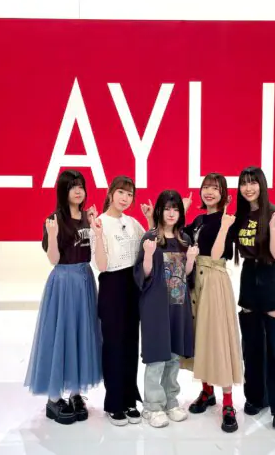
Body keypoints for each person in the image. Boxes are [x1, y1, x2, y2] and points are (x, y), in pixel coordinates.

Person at [24, 169, 102, 425]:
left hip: (85, 280)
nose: (78, 191)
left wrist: (96, 227)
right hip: (64, 282)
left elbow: (96, 254)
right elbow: (54, 259)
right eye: (72, 187)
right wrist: (53, 234)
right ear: (63, 191)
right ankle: (54, 399)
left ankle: (76, 393)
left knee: (81, 335)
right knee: (62, 336)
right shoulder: (54, 219)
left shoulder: (88, 217)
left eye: (81, 186)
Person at [233, 166, 275, 431]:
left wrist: (272, 227)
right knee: (252, 344)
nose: (248, 188)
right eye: (244, 183)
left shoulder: (273, 212)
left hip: (272, 275)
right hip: (249, 276)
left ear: (261, 184)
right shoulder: (239, 216)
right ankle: (257, 397)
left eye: (253, 183)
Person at [181, 173, 244, 433]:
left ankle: (228, 403)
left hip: (215, 280)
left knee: (218, 337)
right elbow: (177, 238)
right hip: (196, 279)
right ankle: (207, 391)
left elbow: (218, 254)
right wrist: (183, 210)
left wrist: (226, 226)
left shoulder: (227, 219)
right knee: (200, 335)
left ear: (223, 193)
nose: (209, 192)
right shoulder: (198, 220)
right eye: (205, 187)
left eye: (214, 188)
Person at [133, 190, 198, 428]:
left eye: (176, 209)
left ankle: (171, 401)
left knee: (173, 357)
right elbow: (143, 274)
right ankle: (152, 406)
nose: (171, 213)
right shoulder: (150, 237)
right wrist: (148, 255)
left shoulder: (184, 239)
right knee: (156, 357)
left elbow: (187, 275)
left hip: (178, 306)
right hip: (155, 307)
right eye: (167, 208)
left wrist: (191, 259)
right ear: (159, 211)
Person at [91, 175, 147, 426]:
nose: (125, 198)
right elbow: (102, 265)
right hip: (112, 285)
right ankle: (114, 402)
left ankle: (129, 399)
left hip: (132, 285)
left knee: (131, 343)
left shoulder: (132, 222)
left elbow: (151, 243)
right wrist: (98, 235)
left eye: (130, 194)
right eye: (121, 192)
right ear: (111, 192)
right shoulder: (100, 222)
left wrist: (149, 219)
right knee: (113, 344)